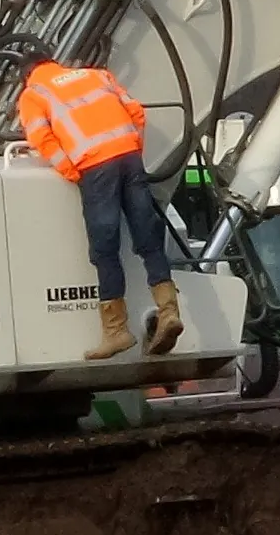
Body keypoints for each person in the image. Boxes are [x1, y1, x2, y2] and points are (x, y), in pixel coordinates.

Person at [14, 57, 181, 361]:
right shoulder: (95, 75)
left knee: (105, 248)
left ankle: (116, 331)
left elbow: (40, 137)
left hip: (94, 166)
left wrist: (71, 171)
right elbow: (136, 112)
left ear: (27, 76)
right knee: (147, 236)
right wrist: (132, 149)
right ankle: (169, 311)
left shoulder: (34, 94)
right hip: (128, 156)